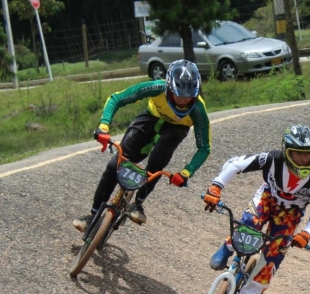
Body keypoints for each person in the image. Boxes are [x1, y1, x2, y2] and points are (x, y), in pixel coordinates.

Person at [203, 125, 310, 294]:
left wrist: (307, 233)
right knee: (250, 224)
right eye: (298, 153)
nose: (303, 158)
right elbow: (235, 164)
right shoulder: (271, 159)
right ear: (286, 151)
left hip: (290, 214)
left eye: (308, 154)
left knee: (273, 257)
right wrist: (216, 187)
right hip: (266, 198)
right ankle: (227, 247)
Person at [73, 59, 211, 232]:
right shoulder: (156, 87)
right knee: (115, 164)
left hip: (177, 129)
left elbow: (204, 148)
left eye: (188, 95)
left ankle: (138, 203)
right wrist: (104, 126)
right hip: (150, 118)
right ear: (169, 87)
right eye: (179, 94)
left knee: (158, 160)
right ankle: (93, 215)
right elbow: (117, 98)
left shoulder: (198, 110)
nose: (183, 100)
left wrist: (186, 173)